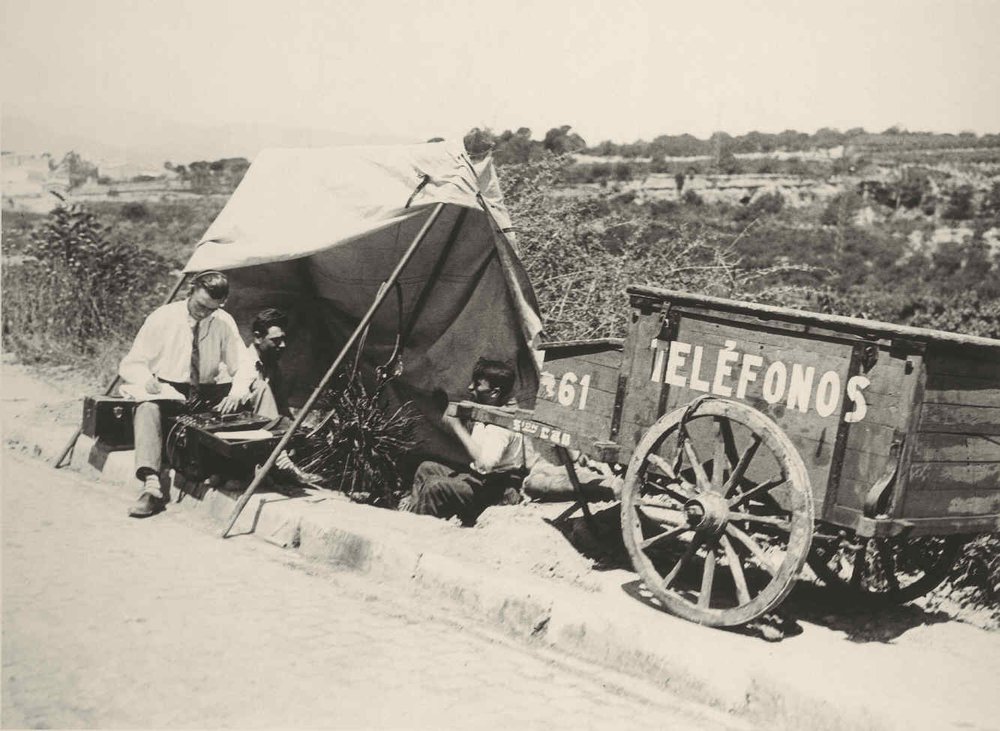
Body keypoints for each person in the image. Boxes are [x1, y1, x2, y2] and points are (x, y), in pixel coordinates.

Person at [120, 270, 247, 518]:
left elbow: (242, 363)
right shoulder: (163, 318)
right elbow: (131, 363)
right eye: (200, 305)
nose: (204, 313)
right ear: (190, 291)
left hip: (204, 394)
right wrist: (146, 381)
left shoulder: (223, 321)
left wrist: (238, 389)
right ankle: (151, 486)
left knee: (245, 401)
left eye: (211, 309)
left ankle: (244, 469)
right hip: (167, 392)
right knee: (146, 409)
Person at [401, 358, 527, 525]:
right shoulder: (484, 412)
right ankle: (412, 519)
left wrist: (456, 427)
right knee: (426, 468)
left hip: (497, 491)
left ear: (494, 392)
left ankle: (418, 534)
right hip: (480, 480)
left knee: (435, 487)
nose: (470, 387)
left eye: (478, 385)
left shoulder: (501, 425)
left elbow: (484, 464)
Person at [232, 307, 290, 418]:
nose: (283, 345)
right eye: (276, 340)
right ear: (258, 337)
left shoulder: (272, 366)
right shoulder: (243, 364)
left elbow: (282, 408)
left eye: (283, 339)